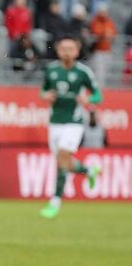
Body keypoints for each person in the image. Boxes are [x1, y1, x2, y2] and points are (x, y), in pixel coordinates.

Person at [39, 36, 102, 219]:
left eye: (70, 48)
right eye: (63, 48)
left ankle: (55, 202)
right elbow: (43, 91)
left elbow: (99, 95)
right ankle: (89, 170)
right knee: (62, 162)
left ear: (77, 51)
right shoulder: (51, 70)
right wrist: (45, 96)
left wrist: (88, 99)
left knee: (63, 156)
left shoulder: (83, 72)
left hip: (73, 122)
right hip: (55, 122)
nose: (67, 52)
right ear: (58, 50)